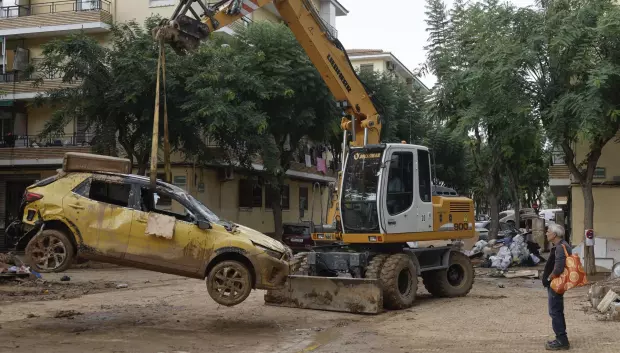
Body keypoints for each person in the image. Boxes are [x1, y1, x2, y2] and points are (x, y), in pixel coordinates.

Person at [542, 223, 571, 350]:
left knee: (555, 311)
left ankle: (562, 341)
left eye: (548, 231)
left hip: (556, 284)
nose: (546, 233)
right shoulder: (563, 245)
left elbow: (558, 267)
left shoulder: (560, 247)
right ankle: (561, 338)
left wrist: (549, 278)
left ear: (554, 234)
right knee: (557, 310)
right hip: (557, 283)